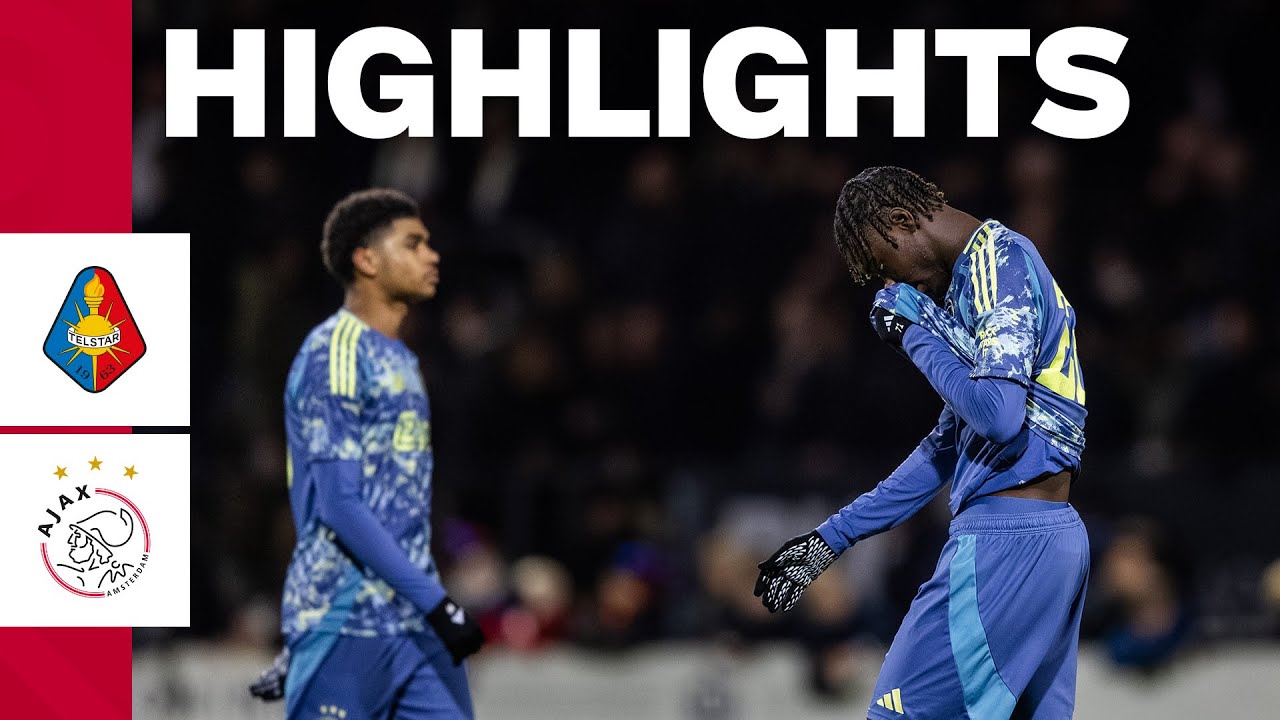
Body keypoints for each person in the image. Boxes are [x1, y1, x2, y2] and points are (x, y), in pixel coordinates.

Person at [755, 167, 1090, 719]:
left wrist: (914, 333)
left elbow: (999, 417)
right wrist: (829, 540)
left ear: (901, 221)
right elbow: (946, 447)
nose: (896, 286)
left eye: (885, 265)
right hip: (1048, 540)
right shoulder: (975, 289)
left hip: (1005, 543)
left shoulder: (997, 264)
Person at [248, 188, 484, 719]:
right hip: (348, 623)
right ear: (367, 260)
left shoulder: (401, 359)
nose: (432, 256)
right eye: (414, 244)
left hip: (413, 623)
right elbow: (339, 505)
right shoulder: (333, 354)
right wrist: (435, 602)